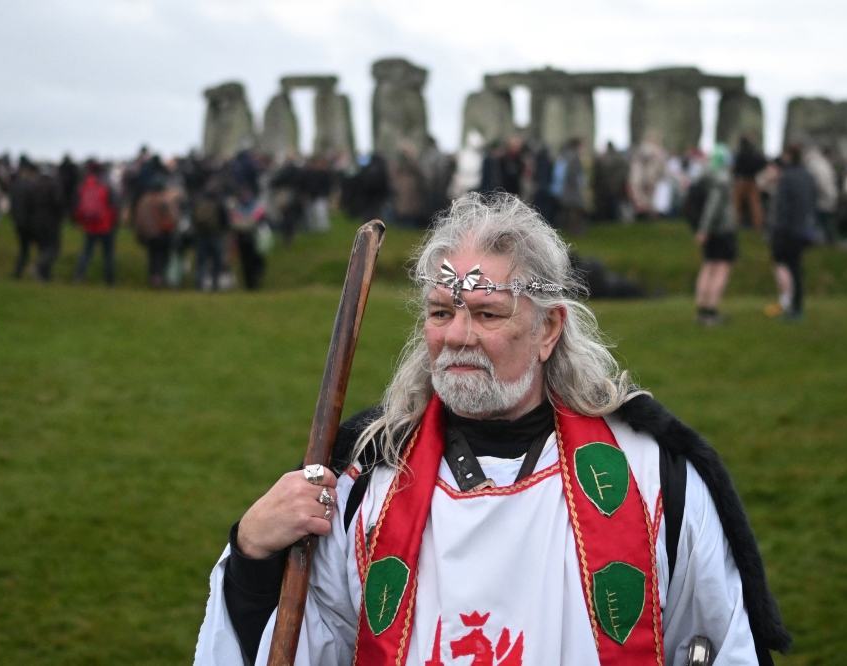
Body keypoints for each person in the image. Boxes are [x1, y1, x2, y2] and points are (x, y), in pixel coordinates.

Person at [194, 193, 791, 666]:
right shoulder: (364, 484)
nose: (456, 335)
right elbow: (307, 645)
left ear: (548, 329)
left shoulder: (655, 481)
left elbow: (721, 645)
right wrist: (251, 556)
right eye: (440, 312)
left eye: (486, 313)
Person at [766, 145, 817, 321]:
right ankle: (796, 306)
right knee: (796, 269)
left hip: (786, 230)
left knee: (783, 265)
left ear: (788, 156)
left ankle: (789, 304)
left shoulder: (787, 178)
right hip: (804, 228)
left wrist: (776, 229)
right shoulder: (809, 177)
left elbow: (782, 207)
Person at [693, 144, 738, 326]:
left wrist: (703, 229)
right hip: (721, 229)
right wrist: (705, 229)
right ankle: (711, 310)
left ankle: (702, 308)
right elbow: (714, 206)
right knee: (721, 268)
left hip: (711, 230)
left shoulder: (706, 177)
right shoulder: (722, 179)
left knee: (708, 266)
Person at [73, 160, 119, 286]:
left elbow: (78, 205)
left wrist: (81, 221)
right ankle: (109, 281)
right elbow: (114, 205)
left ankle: (78, 276)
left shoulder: (85, 184)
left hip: (90, 225)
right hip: (105, 224)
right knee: (108, 255)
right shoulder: (106, 184)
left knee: (86, 253)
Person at [732, 137, 767, 229]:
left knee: (736, 203)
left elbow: (735, 168)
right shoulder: (754, 153)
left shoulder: (740, 153)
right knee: (755, 204)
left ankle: (736, 222)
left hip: (742, 180)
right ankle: (758, 224)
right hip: (752, 180)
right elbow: (764, 162)